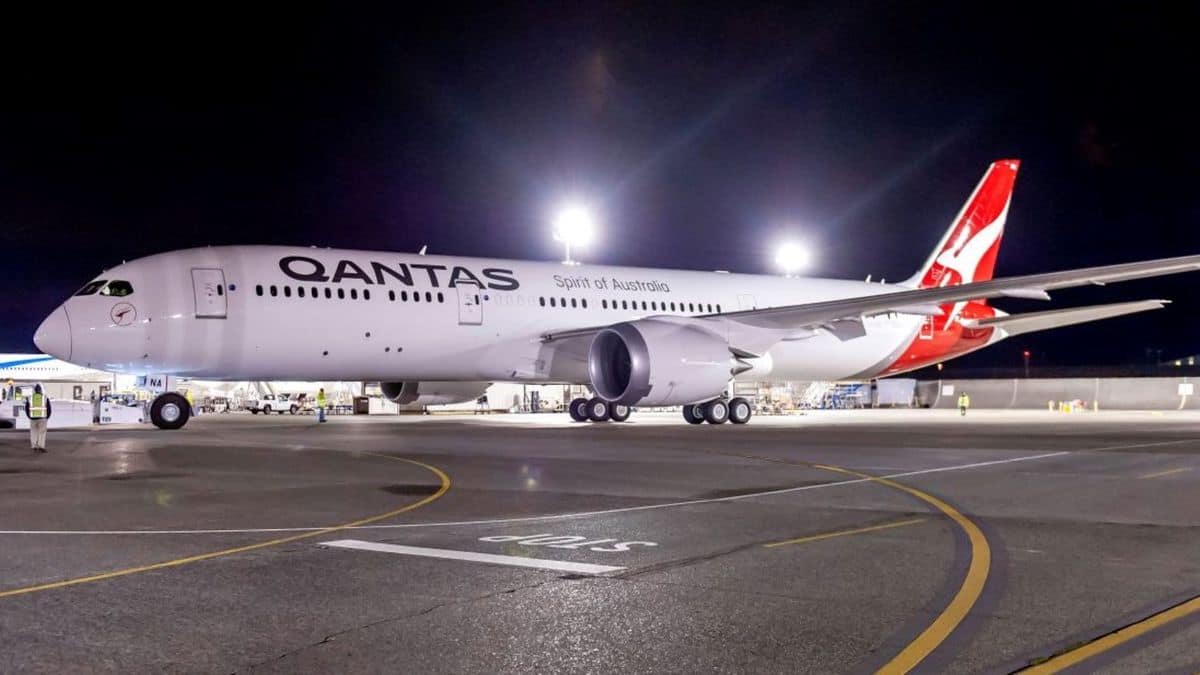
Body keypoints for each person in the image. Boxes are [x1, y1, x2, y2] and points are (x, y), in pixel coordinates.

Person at [25, 383, 52, 453]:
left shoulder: (30, 398)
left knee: (33, 432)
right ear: (41, 390)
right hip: (42, 418)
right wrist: (47, 417)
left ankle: (34, 446)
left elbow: (26, 408)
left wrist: (29, 416)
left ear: (34, 390)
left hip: (33, 419)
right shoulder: (45, 398)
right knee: (42, 433)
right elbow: (49, 408)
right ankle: (41, 447)